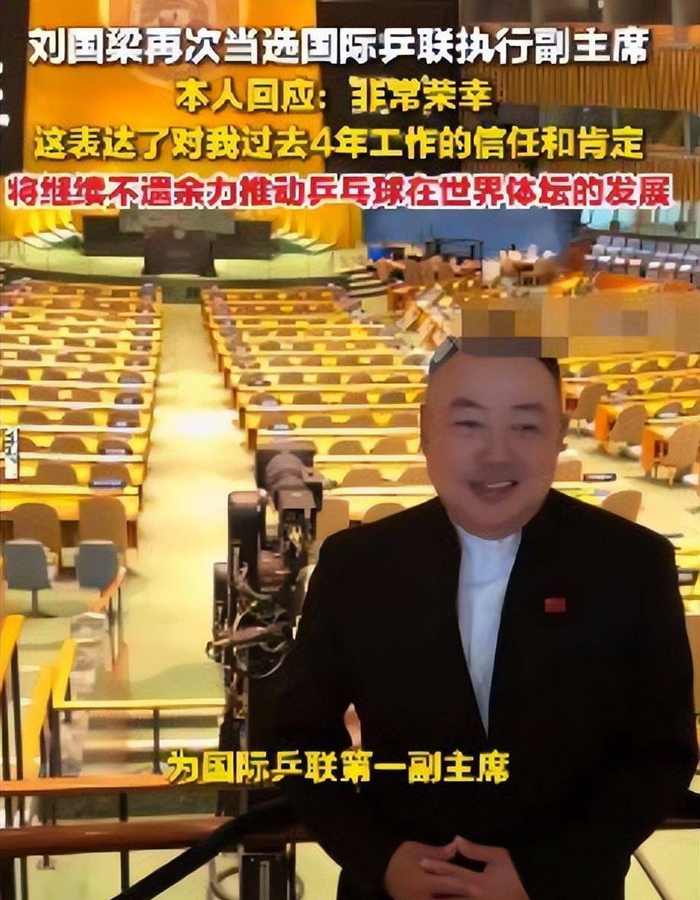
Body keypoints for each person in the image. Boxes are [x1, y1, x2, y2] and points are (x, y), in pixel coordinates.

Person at [271, 336, 697, 900]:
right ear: (425, 432)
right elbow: (299, 738)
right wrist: (382, 858)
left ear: (559, 436)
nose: (497, 455)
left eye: (525, 426)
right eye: (469, 424)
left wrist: (539, 874)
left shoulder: (633, 566)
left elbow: (659, 756)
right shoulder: (357, 565)